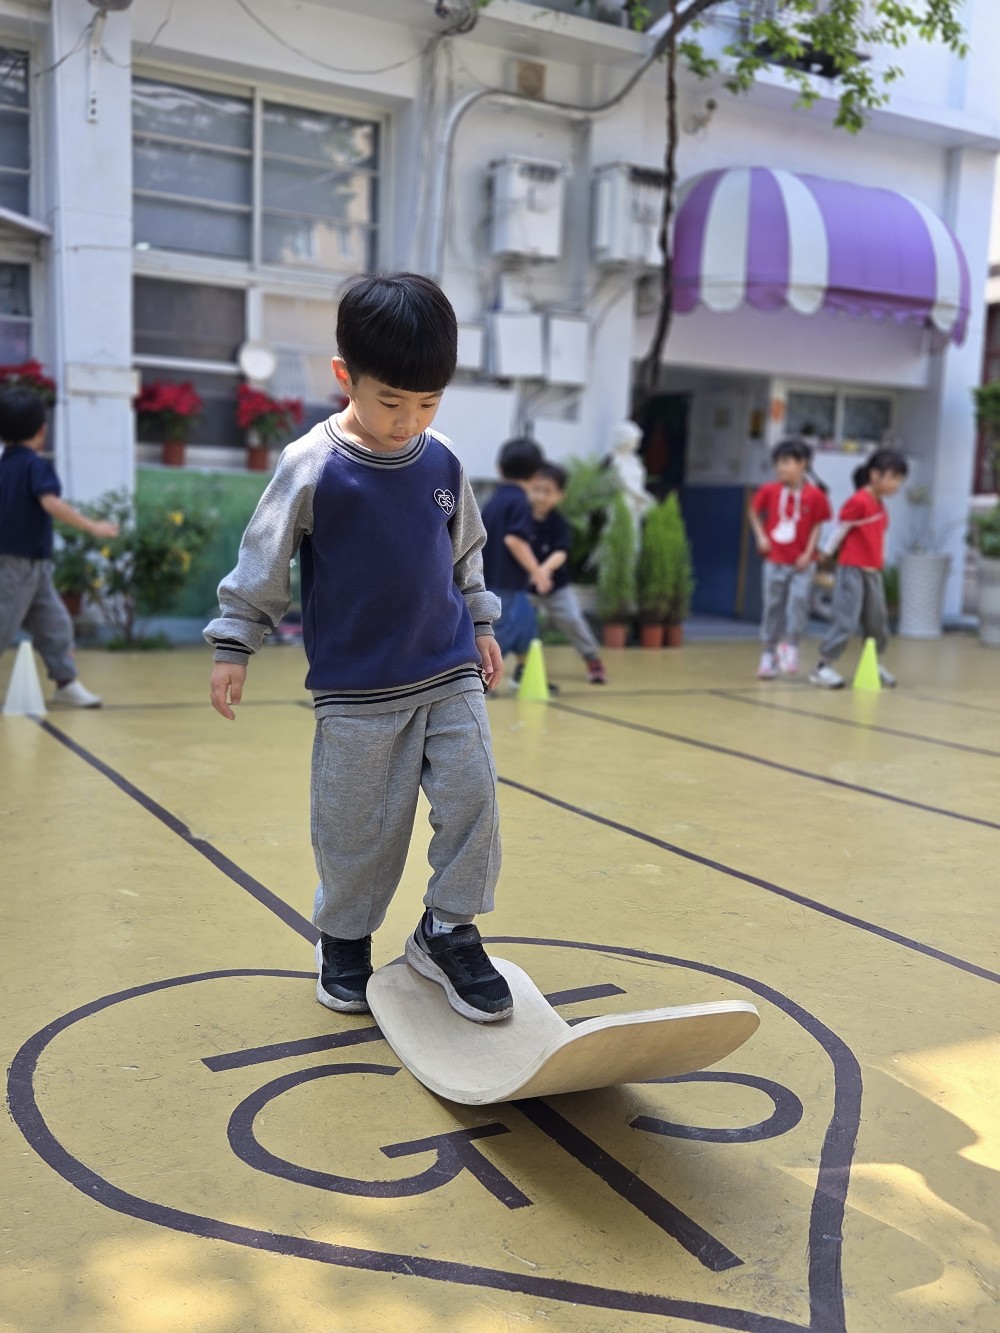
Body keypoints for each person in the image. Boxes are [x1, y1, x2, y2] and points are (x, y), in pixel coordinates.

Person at [205, 272, 513, 1024]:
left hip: (447, 670)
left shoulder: (442, 461)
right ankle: (344, 938)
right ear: (345, 376)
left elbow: (465, 551)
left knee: (474, 798)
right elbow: (264, 556)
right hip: (356, 692)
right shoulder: (313, 465)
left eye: (428, 403)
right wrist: (236, 640)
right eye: (391, 401)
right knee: (357, 831)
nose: (409, 421)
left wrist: (481, 623)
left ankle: (448, 929)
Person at [0, 387, 118, 706]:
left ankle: (66, 684)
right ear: (42, 430)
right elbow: (50, 502)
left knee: (56, 624)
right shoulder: (36, 466)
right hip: (16, 565)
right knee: (3, 625)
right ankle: (66, 682)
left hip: (36, 567)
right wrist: (92, 526)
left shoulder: (5, 465)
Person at [809, 447, 909, 689]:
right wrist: (825, 554)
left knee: (877, 621)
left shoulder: (880, 505)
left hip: (872, 571)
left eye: (900, 480)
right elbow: (839, 529)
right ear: (875, 475)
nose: (897, 485)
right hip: (851, 569)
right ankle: (823, 666)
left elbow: (879, 536)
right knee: (846, 619)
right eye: (893, 477)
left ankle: (873, 663)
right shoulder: (859, 501)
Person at [748, 439, 832, 678]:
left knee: (799, 601)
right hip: (774, 559)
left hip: (802, 563)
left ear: (802, 463)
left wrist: (809, 553)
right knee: (773, 605)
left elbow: (817, 525)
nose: (780, 468)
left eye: (786, 462)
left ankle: (791, 646)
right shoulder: (769, 491)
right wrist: (761, 536)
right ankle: (768, 652)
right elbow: (753, 511)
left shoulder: (815, 495)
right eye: (778, 463)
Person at [528, 462, 607, 684]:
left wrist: (544, 570)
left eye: (547, 491)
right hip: (524, 588)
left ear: (559, 496)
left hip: (556, 587)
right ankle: (491, 668)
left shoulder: (560, 524)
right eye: (537, 489)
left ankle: (592, 660)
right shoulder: (519, 519)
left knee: (572, 619)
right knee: (511, 624)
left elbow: (561, 552)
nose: (541, 496)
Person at [479, 436, 549, 681]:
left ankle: (524, 673)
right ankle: (479, 677)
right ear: (537, 475)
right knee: (503, 632)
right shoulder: (520, 502)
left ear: (500, 469)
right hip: (506, 583)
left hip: (492, 578)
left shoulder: (494, 499)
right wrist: (537, 571)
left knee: (527, 627)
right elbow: (514, 540)